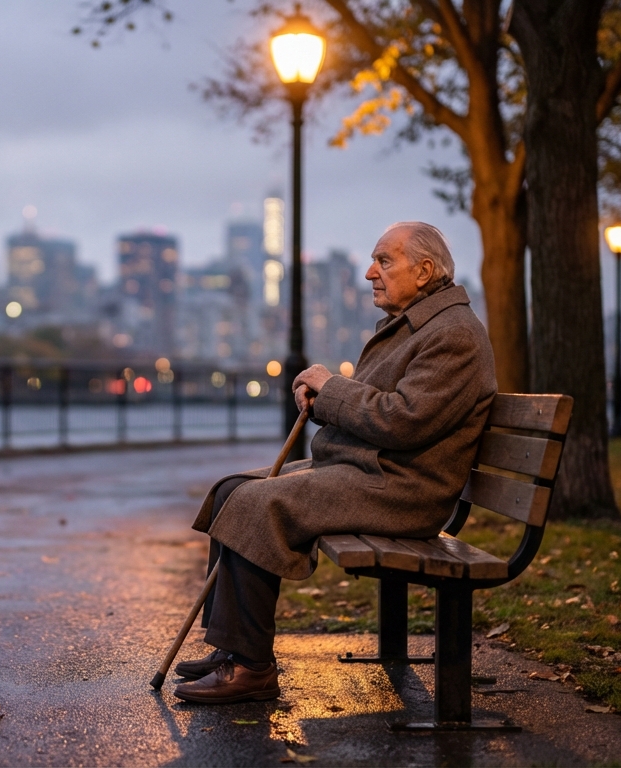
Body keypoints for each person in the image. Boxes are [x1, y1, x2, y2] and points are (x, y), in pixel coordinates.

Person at [172, 221, 497, 705]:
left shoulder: (453, 335)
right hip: (372, 471)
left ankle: (252, 668)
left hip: (405, 490)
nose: (370, 273)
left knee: (258, 503)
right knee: (232, 490)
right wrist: (324, 398)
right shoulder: (419, 325)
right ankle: (232, 648)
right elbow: (381, 410)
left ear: (424, 271)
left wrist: (331, 386)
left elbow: (404, 421)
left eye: (384, 261)